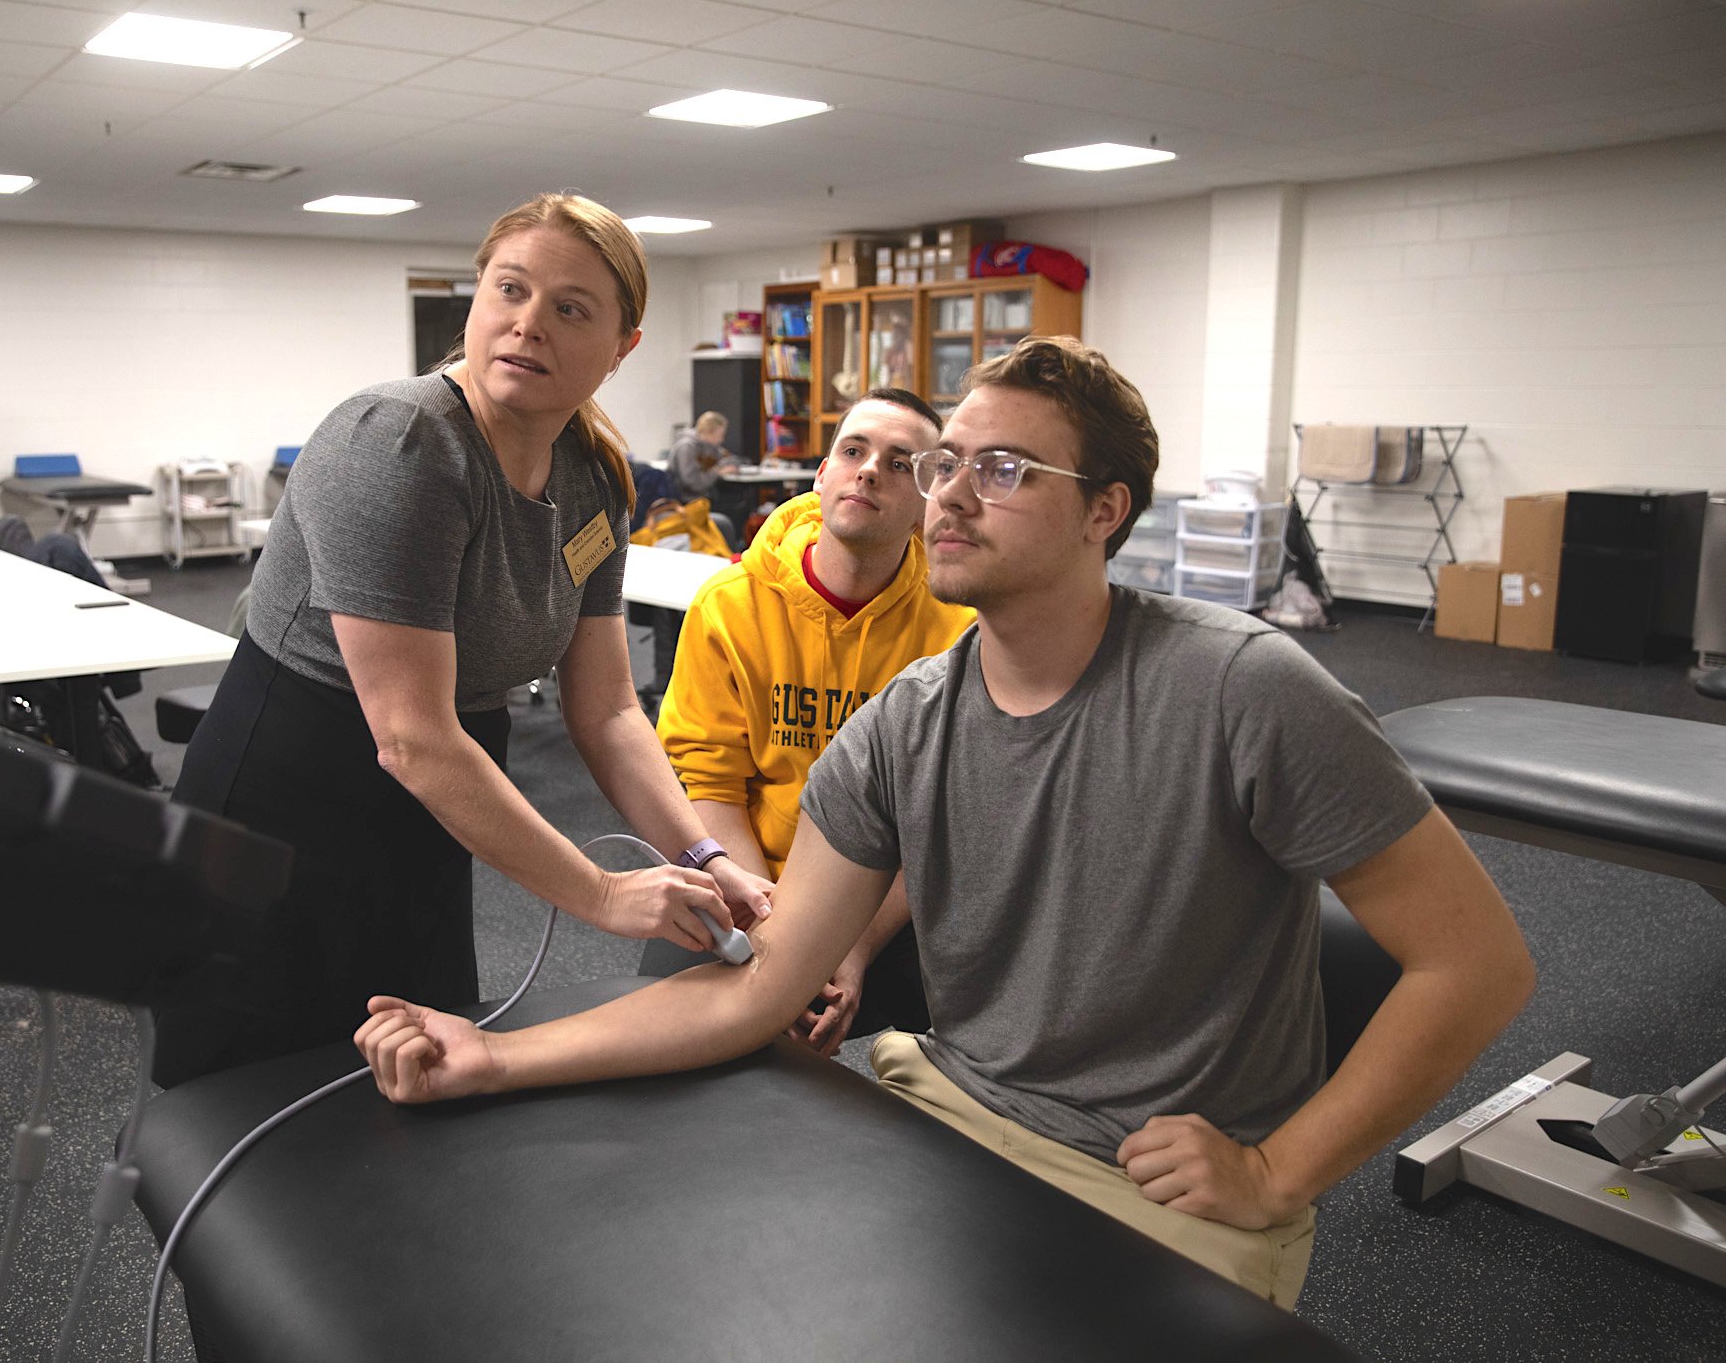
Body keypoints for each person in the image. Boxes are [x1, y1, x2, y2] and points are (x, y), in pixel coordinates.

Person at [356, 335, 1536, 1309]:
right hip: (944, 1111)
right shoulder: (903, 723)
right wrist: (492, 1058)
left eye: (1007, 471)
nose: (950, 496)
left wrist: (1281, 1169)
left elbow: (1473, 963)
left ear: (1103, 513)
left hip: (1154, 1182)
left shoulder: (1242, 691)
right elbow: (763, 985)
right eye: (950, 466)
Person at [152, 192, 771, 1088]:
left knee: (420, 1065)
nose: (528, 325)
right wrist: (600, 893)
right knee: (246, 1093)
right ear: (476, 301)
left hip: (444, 798)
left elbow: (604, 711)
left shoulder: (593, 481)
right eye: (510, 291)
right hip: (290, 788)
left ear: (622, 347)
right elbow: (409, 736)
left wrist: (704, 857)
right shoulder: (400, 443)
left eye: (570, 308)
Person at [647, 387, 973, 1055]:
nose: (869, 469)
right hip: (749, 883)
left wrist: (849, 945)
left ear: (927, 500)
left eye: (899, 460)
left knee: (979, 1055)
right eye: (853, 450)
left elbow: (944, 821)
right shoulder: (729, 606)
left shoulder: (961, 631)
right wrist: (775, 935)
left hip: (884, 905)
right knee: (672, 1046)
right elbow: (711, 784)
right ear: (822, 475)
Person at [666, 411, 732, 502]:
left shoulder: (710, 447)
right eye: (720, 435)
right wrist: (717, 471)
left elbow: (727, 458)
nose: (722, 439)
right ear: (710, 432)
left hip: (703, 497)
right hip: (686, 501)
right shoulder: (686, 448)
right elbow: (693, 483)